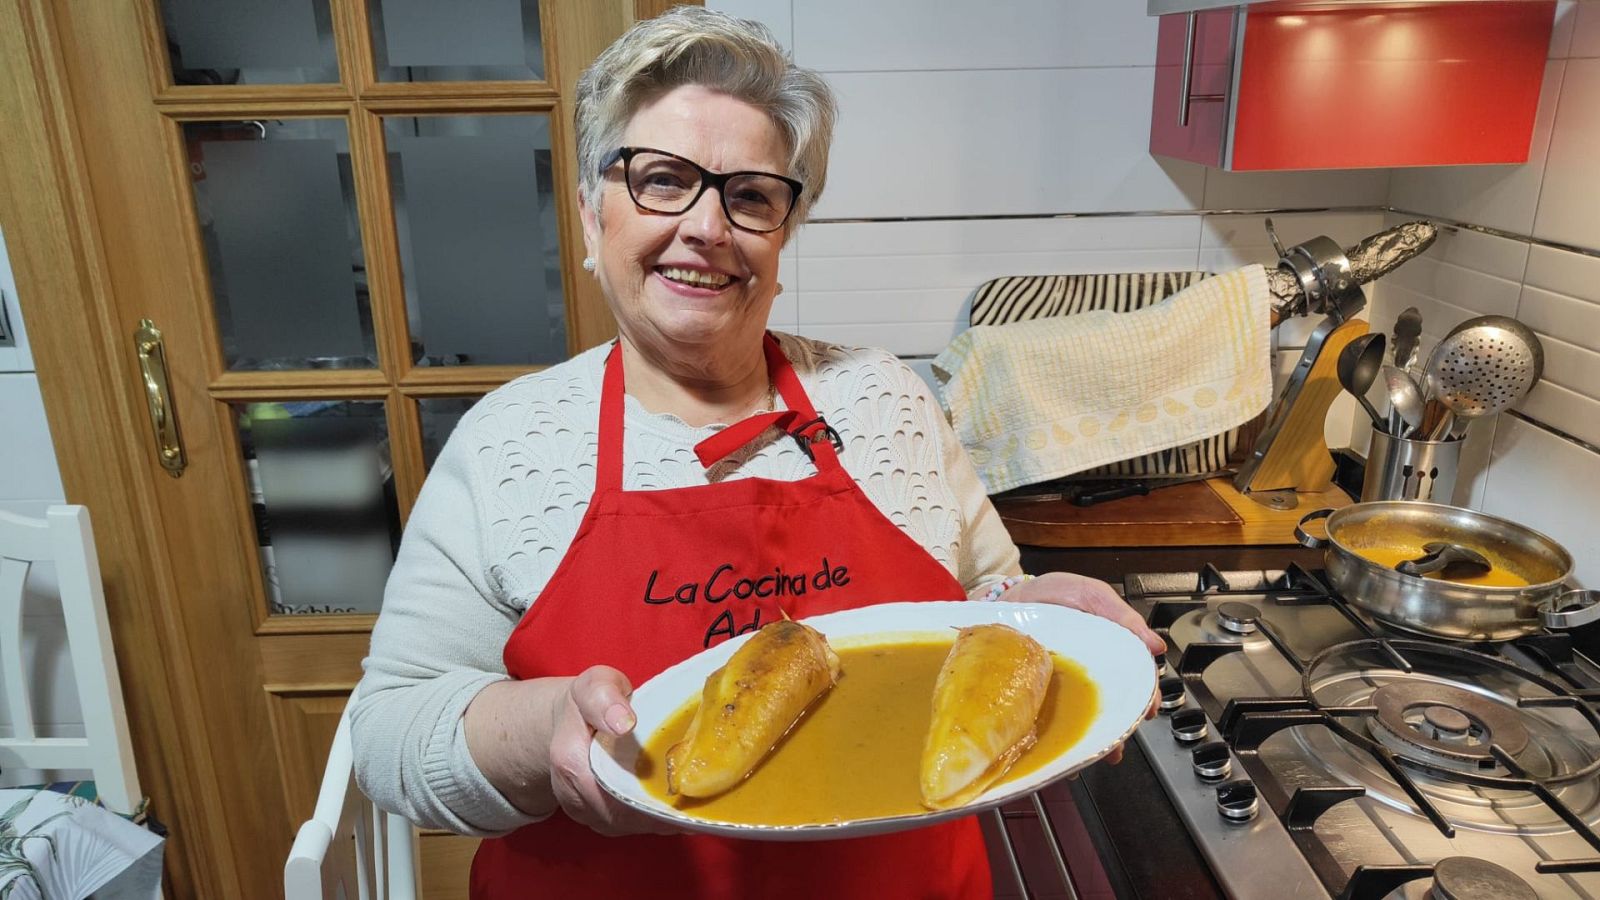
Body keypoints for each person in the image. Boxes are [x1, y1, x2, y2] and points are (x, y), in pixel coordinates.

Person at [350, 8, 1164, 898]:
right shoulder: (511, 444)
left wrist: (1035, 604)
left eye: (749, 194)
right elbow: (390, 735)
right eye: (662, 180)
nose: (707, 227)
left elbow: (983, 595)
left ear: (783, 234)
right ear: (591, 216)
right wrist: (540, 728)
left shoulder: (884, 396)